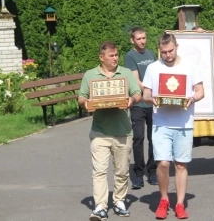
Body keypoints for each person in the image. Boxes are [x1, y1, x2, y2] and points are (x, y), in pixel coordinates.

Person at [142, 33, 204, 219]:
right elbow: (145, 94)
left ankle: (179, 203)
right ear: (159, 50)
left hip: (184, 123)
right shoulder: (153, 68)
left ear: (176, 47)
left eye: (170, 51)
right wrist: (152, 99)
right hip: (161, 123)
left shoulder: (190, 66)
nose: (168, 55)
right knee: (162, 163)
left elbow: (200, 91)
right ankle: (163, 199)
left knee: (180, 165)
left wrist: (192, 98)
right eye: (164, 52)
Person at [78, 41, 141, 221]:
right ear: (101, 57)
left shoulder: (126, 73)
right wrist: (86, 103)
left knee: (121, 171)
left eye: (116, 55)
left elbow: (137, 92)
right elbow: (81, 97)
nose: (115, 58)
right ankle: (100, 206)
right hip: (100, 131)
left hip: (123, 131)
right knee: (99, 170)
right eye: (111, 56)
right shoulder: (90, 75)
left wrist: (132, 100)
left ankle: (119, 201)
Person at [124, 27, 158, 189]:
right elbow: (135, 79)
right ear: (133, 40)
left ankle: (152, 171)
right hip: (138, 102)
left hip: (153, 103)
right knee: (138, 138)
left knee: (154, 138)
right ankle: (138, 173)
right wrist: (149, 88)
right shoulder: (130, 56)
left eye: (144, 38)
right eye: (139, 39)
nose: (142, 41)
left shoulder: (151, 54)